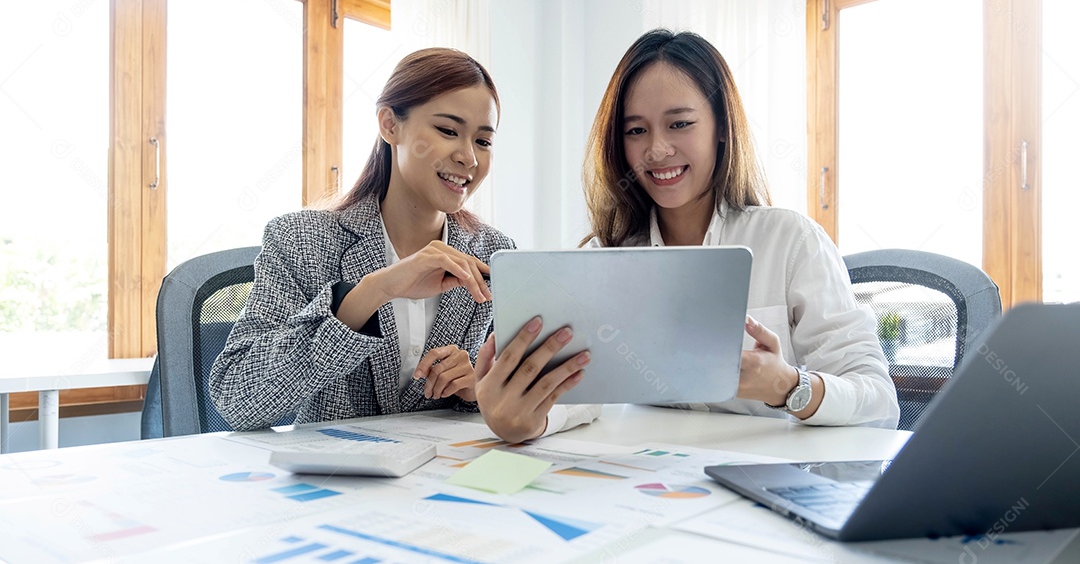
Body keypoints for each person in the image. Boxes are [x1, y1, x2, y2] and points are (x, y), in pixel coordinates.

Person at [210, 48, 599, 443]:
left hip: (445, 484)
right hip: (337, 487)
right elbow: (237, 401)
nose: (468, 157)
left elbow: (525, 392)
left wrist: (477, 388)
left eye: (483, 141)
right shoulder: (302, 240)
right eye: (448, 131)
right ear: (389, 125)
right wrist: (374, 291)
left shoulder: (494, 252)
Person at [581, 29, 899, 428]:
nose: (657, 149)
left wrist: (788, 386)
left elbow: (879, 404)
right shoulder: (603, 258)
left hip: (772, 475)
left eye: (679, 124)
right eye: (636, 131)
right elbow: (576, 398)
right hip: (650, 478)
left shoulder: (791, 242)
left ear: (721, 129)